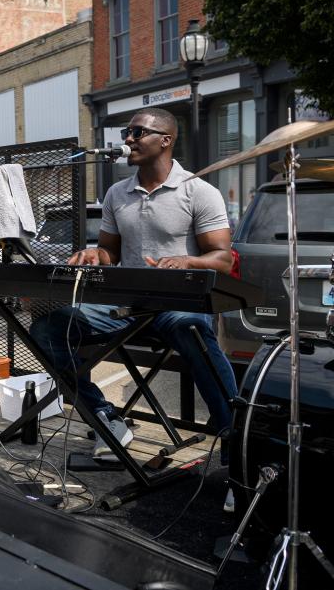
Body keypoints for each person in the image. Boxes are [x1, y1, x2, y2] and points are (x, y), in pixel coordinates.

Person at [30, 107, 237, 460]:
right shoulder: (117, 193)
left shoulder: (199, 192)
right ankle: (106, 418)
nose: (128, 139)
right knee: (46, 331)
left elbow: (223, 257)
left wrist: (186, 261)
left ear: (166, 140)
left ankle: (236, 448)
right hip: (125, 306)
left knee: (191, 328)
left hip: (176, 307)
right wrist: (97, 255)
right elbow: (110, 251)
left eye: (138, 132)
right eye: (128, 132)